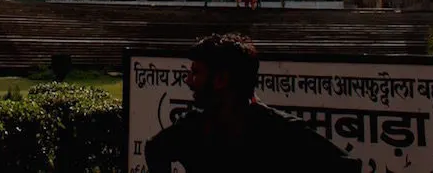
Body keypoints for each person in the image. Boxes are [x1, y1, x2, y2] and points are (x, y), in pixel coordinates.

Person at [144, 33, 360, 172]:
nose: (189, 80)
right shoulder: (194, 127)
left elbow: (346, 167)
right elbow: (154, 149)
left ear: (220, 80)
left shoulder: (279, 131)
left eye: (196, 73)